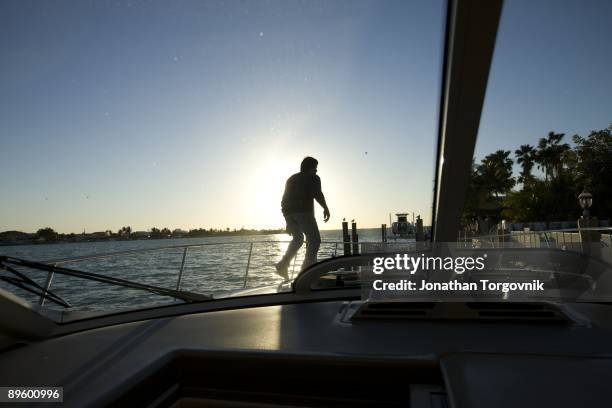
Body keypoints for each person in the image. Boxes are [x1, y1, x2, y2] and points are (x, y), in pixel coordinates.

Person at [275, 156, 330, 279]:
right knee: (315, 240)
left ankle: (283, 265)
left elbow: (284, 199)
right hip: (304, 212)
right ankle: (306, 272)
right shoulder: (313, 178)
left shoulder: (291, 179)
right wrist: (325, 208)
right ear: (309, 168)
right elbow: (318, 194)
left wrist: (287, 220)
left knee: (298, 239)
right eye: (315, 168)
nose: (316, 171)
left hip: (289, 214)